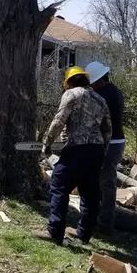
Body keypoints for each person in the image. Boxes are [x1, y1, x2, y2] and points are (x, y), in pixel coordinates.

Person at [38, 65, 111, 245]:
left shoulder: (71, 94)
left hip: (77, 148)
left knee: (59, 185)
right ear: (86, 79)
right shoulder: (100, 99)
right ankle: (84, 233)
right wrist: (103, 150)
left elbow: (59, 120)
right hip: (96, 150)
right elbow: (108, 129)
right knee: (89, 193)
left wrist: (47, 144)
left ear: (69, 82)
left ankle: (55, 232)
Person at [84, 61, 125, 234]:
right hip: (115, 141)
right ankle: (99, 217)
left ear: (99, 79)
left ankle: (105, 223)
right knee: (101, 181)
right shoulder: (114, 90)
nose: (90, 85)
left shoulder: (104, 95)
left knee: (106, 183)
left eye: (92, 82)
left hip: (110, 143)